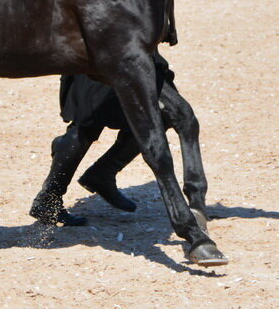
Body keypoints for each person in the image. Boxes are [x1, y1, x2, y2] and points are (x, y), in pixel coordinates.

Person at [29, 53, 198, 226]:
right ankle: (50, 195)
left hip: (134, 52)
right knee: (87, 124)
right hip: (102, 49)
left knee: (160, 116)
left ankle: (101, 172)